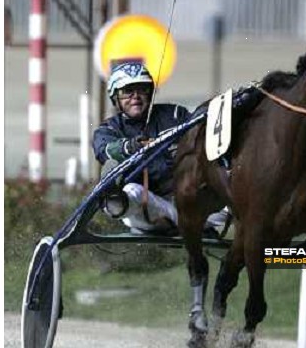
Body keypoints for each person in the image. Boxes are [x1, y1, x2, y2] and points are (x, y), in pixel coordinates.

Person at [93, 60, 227, 235]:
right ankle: (183, 224)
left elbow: (202, 132)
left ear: (150, 93)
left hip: (190, 201)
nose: (135, 96)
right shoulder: (108, 129)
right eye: (127, 91)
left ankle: (181, 223)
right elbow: (105, 150)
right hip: (148, 208)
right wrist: (129, 146)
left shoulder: (175, 115)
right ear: (115, 97)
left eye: (142, 89)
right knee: (130, 190)